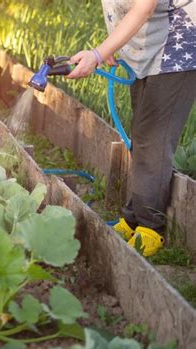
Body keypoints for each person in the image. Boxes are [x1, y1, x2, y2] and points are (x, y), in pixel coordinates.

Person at [67, 0, 195, 256]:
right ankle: (135, 216)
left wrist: (98, 54)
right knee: (142, 133)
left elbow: (144, 6)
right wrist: (113, 41)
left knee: (154, 138)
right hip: (149, 43)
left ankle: (151, 228)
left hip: (177, 45)